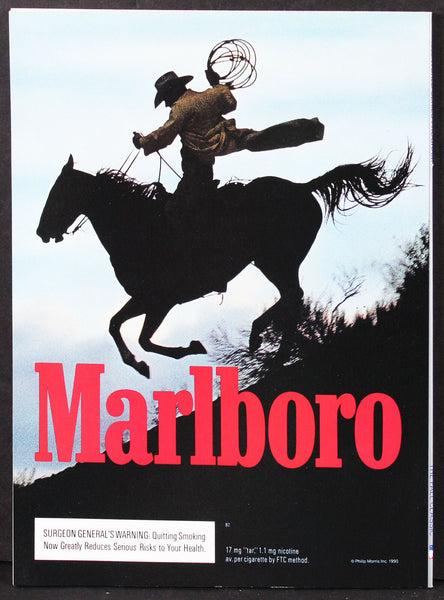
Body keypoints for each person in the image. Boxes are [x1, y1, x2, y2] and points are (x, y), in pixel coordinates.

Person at [133, 69, 324, 200]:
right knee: (257, 139)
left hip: (199, 163)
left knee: (175, 208)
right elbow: (230, 102)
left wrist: (142, 141)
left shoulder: (180, 108)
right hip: (228, 139)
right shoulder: (208, 95)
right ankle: (309, 129)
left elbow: (165, 134)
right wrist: (216, 84)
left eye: (166, 98)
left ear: (173, 91)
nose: (166, 103)